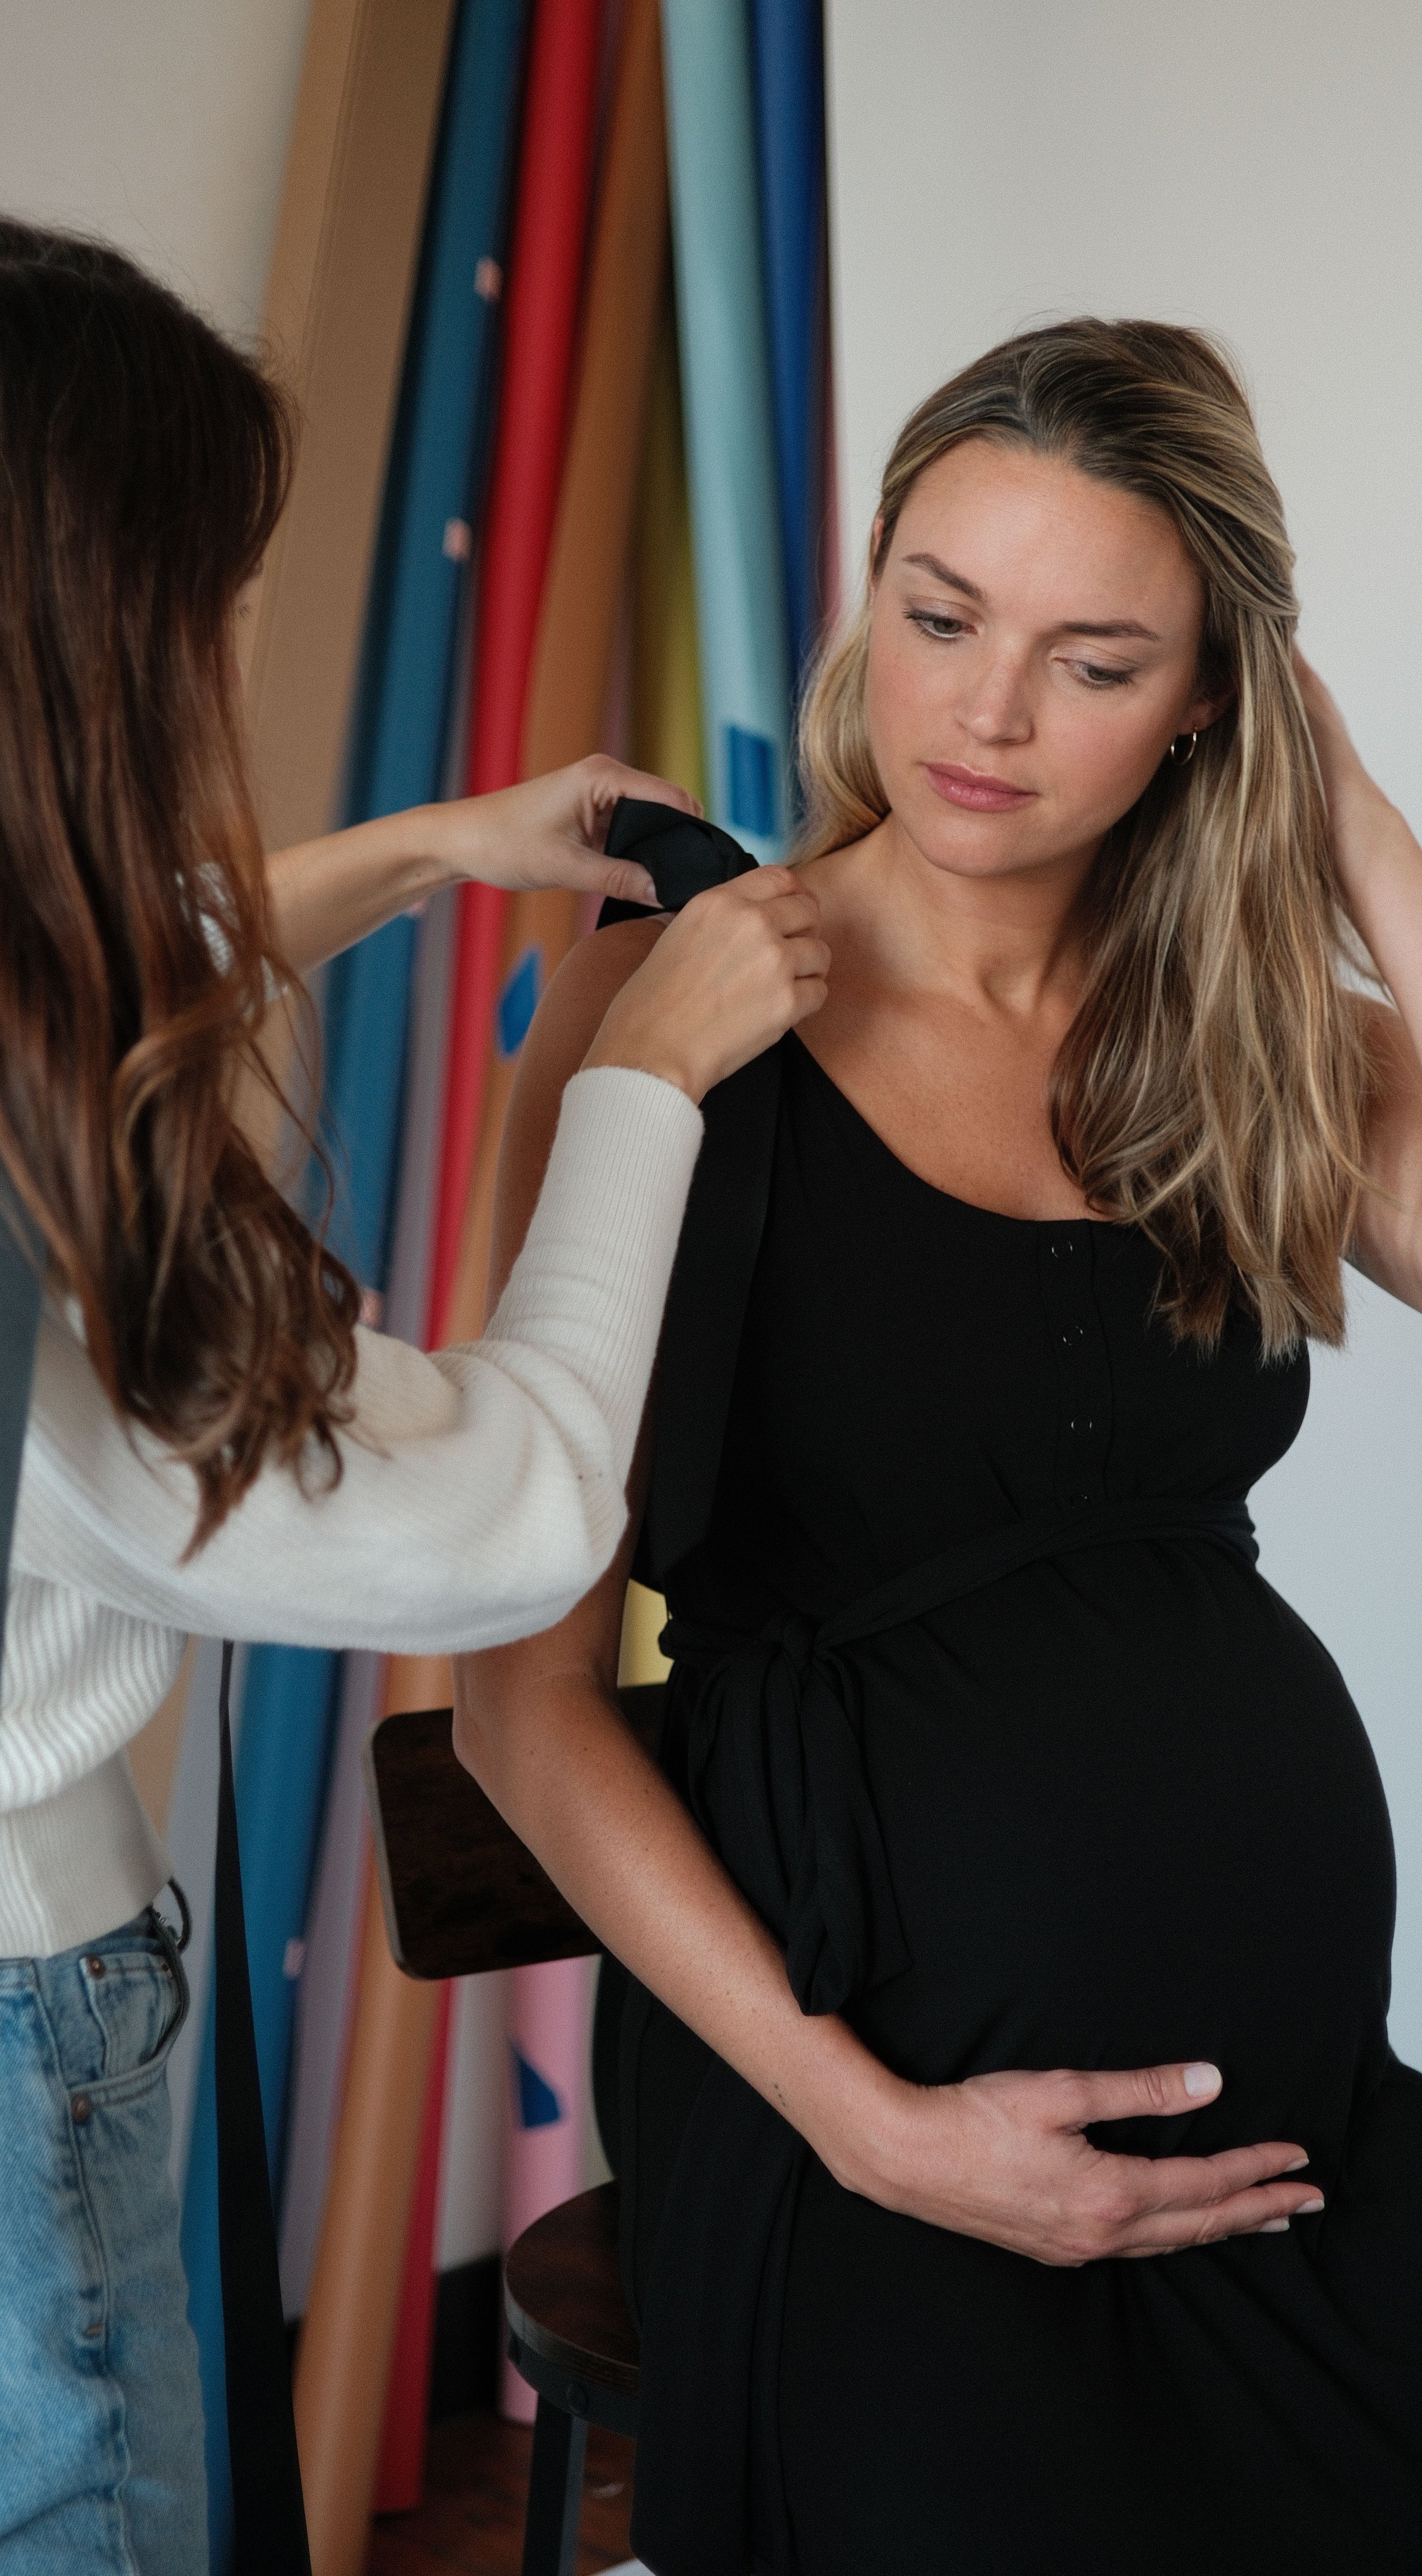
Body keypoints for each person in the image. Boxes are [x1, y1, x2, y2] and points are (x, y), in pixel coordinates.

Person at [0, 216, 829, 2575]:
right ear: (83, 674)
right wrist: (642, 1082)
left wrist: (426, 855)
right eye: (205, 615)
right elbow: (513, 1513)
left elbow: (33, 987)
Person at [455, 318, 1422, 2573]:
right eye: (940, 615)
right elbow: (519, 1708)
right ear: (869, 594)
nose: (985, 716)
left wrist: (1357, 833)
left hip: (1287, 2136)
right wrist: (871, 2130)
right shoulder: (666, 1001)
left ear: (1216, 698)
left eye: (1096, 660)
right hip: (851, 2105)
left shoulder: (1260, 1031)